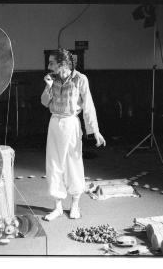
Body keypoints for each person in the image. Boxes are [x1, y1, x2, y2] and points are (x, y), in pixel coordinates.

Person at [41, 48, 106, 221]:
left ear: (62, 64)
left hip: (70, 123)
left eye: (51, 63)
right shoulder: (52, 79)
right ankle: (58, 207)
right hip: (55, 123)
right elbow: (44, 102)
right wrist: (48, 87)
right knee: (54, 164)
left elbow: (88, 106)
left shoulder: (80, 79)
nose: (48, 66)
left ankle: (75, 205)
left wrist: (95, 131)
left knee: (73, 163)